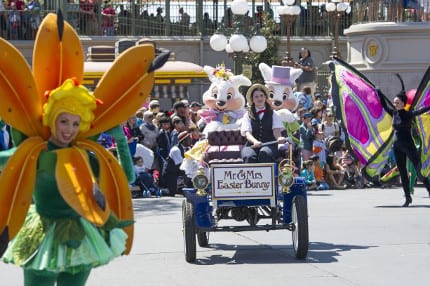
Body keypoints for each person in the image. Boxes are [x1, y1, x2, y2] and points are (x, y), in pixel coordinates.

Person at [1, 79, 133, 286]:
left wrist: (122, 141)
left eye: (75, 123)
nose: (69, 129)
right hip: (41, 234)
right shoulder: (33, 153)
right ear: (52, 120)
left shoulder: (84, 155)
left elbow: (126, 177)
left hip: (81, 236)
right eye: (64, 121)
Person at [377, 87, 430, 206]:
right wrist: (379, 93)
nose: (395, 104)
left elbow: (421, 111)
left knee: (419, 170)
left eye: (397, 102)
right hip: (397, 147)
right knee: (402, 172)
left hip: (409, 146)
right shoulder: (394, 113)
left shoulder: (408, 114)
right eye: (394, 102)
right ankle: (407, 198)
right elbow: (385, 106)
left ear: (403, 103)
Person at [240, 84, 286, 163]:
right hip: (252, 145)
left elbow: (276, 131)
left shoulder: (273, 114)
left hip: (269, 144)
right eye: (256, 96)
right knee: (248, 156)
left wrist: (279, 138)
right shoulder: (247, 114)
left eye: (261, 95)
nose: (259, 98)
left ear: (265, 97)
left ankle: (266, 175)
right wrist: (255, 141)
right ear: (252, 99)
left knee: (264, 154)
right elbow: (247, 133)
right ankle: (251, 175)